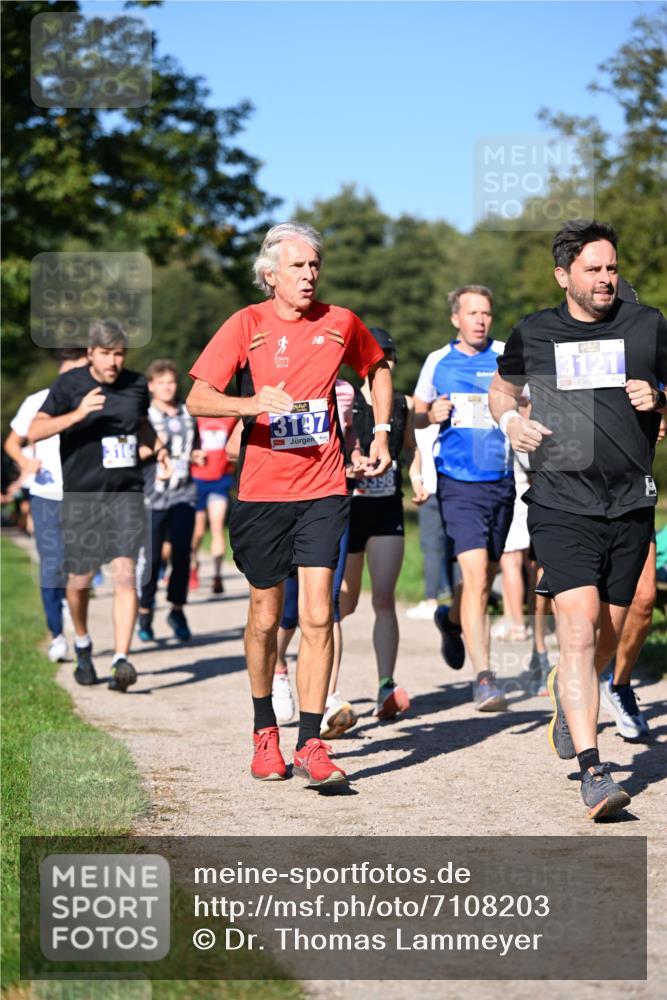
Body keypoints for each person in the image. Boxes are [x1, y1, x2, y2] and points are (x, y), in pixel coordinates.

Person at [186, 222, 393, 788]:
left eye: (314, 266)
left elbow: (377, 367)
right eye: (298, 267)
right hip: (261, 492)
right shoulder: (246, 323)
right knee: (266, 616)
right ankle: (264, 734)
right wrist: (251, 403)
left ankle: (312, 743)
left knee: (320, 613)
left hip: (324, 487)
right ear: (270, 274)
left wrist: (381, 432)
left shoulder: (340, 321)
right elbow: (197, 396)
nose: (309, 276)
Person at [489, 219, 667, 819]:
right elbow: (502, 390)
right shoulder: (535, 332)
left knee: (609, 633)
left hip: (631, 500)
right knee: (579, 624)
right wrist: (512, 423)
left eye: (612, 268)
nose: (606, 279)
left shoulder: (648, 326)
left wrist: (660, 399)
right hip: (561, 498)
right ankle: (593, 769)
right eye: (593, 269)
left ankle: (573, 699)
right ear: (563, 275)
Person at [27, 320, 170, 691]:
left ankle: (122, 659)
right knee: (80, 580)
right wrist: (77, 414)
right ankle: (83, 642)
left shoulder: (136, 385)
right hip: (82, 496)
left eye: (119, 354)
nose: (113, 362)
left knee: (126, 573)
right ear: (91, 352)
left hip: (126, 492)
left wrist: (159, 448)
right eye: (106, 354)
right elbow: (35, 431)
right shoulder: (69, 385)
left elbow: (140, 424)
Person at [413, 285, 514, 711]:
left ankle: (450, 620)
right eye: (472, 313)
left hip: (501, 479)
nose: (480, 320)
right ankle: (485, 679)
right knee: (474, 577)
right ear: (456, 318)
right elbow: (415, 412)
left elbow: (528, 406)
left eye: (486, 313)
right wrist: (429, 414)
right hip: (457, 481)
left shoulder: (508, 356)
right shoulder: (438, 361)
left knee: (485, 575)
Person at [271, 378, 357, 739]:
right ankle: (278, 670)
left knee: (326, 606)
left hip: (331, 507)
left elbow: (348, 445)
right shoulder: (283, 386)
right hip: (284, 505)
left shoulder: (349, 392)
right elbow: (238, 448)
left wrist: (357, 464)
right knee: (288, 612)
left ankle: (326, 700)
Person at [339, 328, 413, 721]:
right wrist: (351, 466)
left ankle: (386, 684)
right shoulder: (346, 401)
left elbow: (413, 449)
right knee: (342, 603)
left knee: (383, 598)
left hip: (387, 510)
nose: (382, 363)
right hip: (351, 510)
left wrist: (419, 475)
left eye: (388, 357)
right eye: (375, 357)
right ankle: (323, 686)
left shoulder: (403, 404)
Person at [4, 348, 88, 661]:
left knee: (79, 569)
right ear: (61, 369)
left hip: (82, 493)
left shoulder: (91, 399)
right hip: (47, 494)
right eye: (72, 369)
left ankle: (77, 623)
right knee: (52, 566)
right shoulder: (37, 401)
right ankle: (57, 636)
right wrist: (25, 460)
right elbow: (12, 443)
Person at [137, 359, 205, 643]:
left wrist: (197, 455)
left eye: (171, 382)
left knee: (181, 555)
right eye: (161, 382)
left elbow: (195, 444)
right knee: (151, 558)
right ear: (151, 386)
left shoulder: (188, 413)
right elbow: (134, 452)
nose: (167, 387)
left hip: (183, 493)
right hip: (152, 495)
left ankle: (177, 610)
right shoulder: (143, 415)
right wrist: (154, 449)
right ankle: (145, 611)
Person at [405, 422, 454, 619]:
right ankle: (457, 598)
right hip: (452, 487)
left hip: (428, 489)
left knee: (431, 547)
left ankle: (431, 599)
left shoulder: (419, 425)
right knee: (455, 546)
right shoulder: (451, 422)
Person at [190, 414, 238, 594]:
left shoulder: (231, 417)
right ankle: (193, 565)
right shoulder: (196, 416)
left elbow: (236, 445)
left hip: (220, 481)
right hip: (197, 480)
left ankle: (217, 576)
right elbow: (186, 445)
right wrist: (192, 456)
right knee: (198, 530)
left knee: (217, 527)